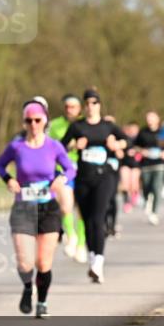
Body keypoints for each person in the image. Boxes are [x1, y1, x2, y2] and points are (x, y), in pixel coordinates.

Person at [0, 102, 75, 316]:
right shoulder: (17, 146)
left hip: (48, 208)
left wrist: (62, 179)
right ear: (24, 122)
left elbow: (70, 168)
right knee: (24, 262)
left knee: (42, 261)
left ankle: (42, 302)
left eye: (37, 120)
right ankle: (28, 287)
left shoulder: (54, 146)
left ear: (45, 121)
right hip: (22, 207)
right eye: (28, 120)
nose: (33, 124)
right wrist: (9, 180)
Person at [60, 89, 127, 283]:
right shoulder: (77, 126)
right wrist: (74, 146)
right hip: (83, 178)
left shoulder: (108, 126)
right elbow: (60, 148)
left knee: (98, 218)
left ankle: (98, 261)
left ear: (99, 105)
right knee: (88, 220)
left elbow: (128, 141)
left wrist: (117, 145)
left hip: (104, 177)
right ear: (84, 106)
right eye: (88, 103)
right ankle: (92, 258)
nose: (91, 106)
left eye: (94, 103)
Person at [47, 94, 86, 262]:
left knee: (82, 210)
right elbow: (49, 147)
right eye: (67, 107)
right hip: (62, 170)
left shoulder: (85, 124)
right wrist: (70, 146)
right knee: (65, 206)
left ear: (79, 109)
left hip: (84, 169)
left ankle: (81, 245)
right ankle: (71, 235)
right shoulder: (55, 125)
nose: (69, 110)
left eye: (73, 107)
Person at [135, 111, 164, 225]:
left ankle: (154, 213)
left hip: (159, 164)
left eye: (152, 118)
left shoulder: (163, 132)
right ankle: (147, 199)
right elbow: (135, 146)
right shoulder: (142, 132)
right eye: (148, 118)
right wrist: (142, 151)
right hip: (146, 165)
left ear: (157, 119)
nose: (150, 120)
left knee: (156, 188)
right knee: (146, 187)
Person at [120, 121, 142, 214]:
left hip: (136, 165)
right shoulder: (124, 139)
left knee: (133, 183)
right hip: (125, 163)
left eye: (134, 129)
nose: (133, 131)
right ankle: (126, 202)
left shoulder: (140, 139)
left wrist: (138, 151)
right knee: (125, 184)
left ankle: (135, 195)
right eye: (131, 129)